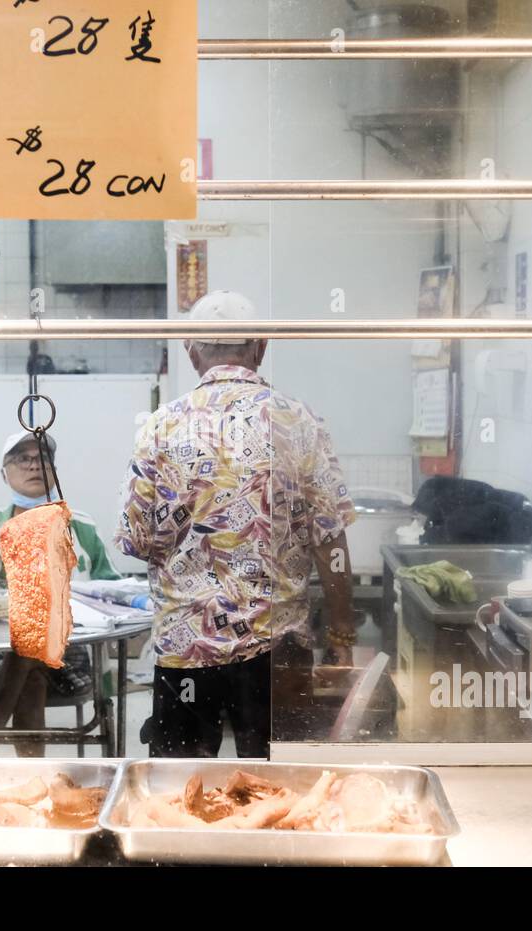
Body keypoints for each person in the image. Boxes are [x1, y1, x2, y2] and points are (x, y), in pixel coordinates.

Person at [114, 291, 358, 758]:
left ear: (191, 353)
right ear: (261, 347)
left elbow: (138, 539)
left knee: (180, 791)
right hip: (276, 650)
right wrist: (342, 637)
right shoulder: (300, 422)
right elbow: (331, 541)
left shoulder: (159, 427)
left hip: (186, 649)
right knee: (278, 793)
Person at [0, 430, 122, 757]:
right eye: (22, 459)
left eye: (42, 458)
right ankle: (33, 771)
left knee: (28, 650)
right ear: (3, 473)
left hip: (68, 654)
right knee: (28, 659)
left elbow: (111, 587)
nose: (34, 466)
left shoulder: (81, 526)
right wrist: (19, 540)